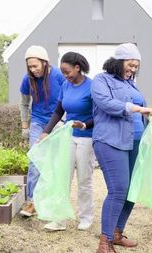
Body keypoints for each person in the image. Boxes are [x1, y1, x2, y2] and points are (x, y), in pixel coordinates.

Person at [91, 43, 152, 253]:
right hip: (111, 141)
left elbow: (140, 112)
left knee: (131, 190)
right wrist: (136, 108)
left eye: (136, 66)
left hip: (135, 142)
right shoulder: (102, 80)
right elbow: (106, 103)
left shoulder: (132, 85)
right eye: (130, 65)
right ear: (119, 61)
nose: (133, 69)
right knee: (118, 189)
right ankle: (105, 242)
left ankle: (117, 233)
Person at [38, 52, 96, 231]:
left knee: (84, 179)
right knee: (62, 177)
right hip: (68, 137)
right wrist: (46, 132)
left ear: (77, 68)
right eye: (63, 73)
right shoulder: (65, 85)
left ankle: (86, 217)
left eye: (67, 72)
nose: (65, 76)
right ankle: (59, 219)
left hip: (87, 137)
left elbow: (99, 114)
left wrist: (85, 124)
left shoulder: (92, 86)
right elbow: (58, 111)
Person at [19, 45, 66, 217]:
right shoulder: (27, 79)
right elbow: (24, 103)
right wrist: (25, 125)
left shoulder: (58, 76)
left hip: (57, 122)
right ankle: (31, 201)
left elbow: (67, 98)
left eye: (35, 66)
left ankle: (51, 201)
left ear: (45, 63)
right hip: (38, 122)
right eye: (30, 66)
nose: (33, 69)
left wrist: (65, 120)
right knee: (35, 160)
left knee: (55, 162)